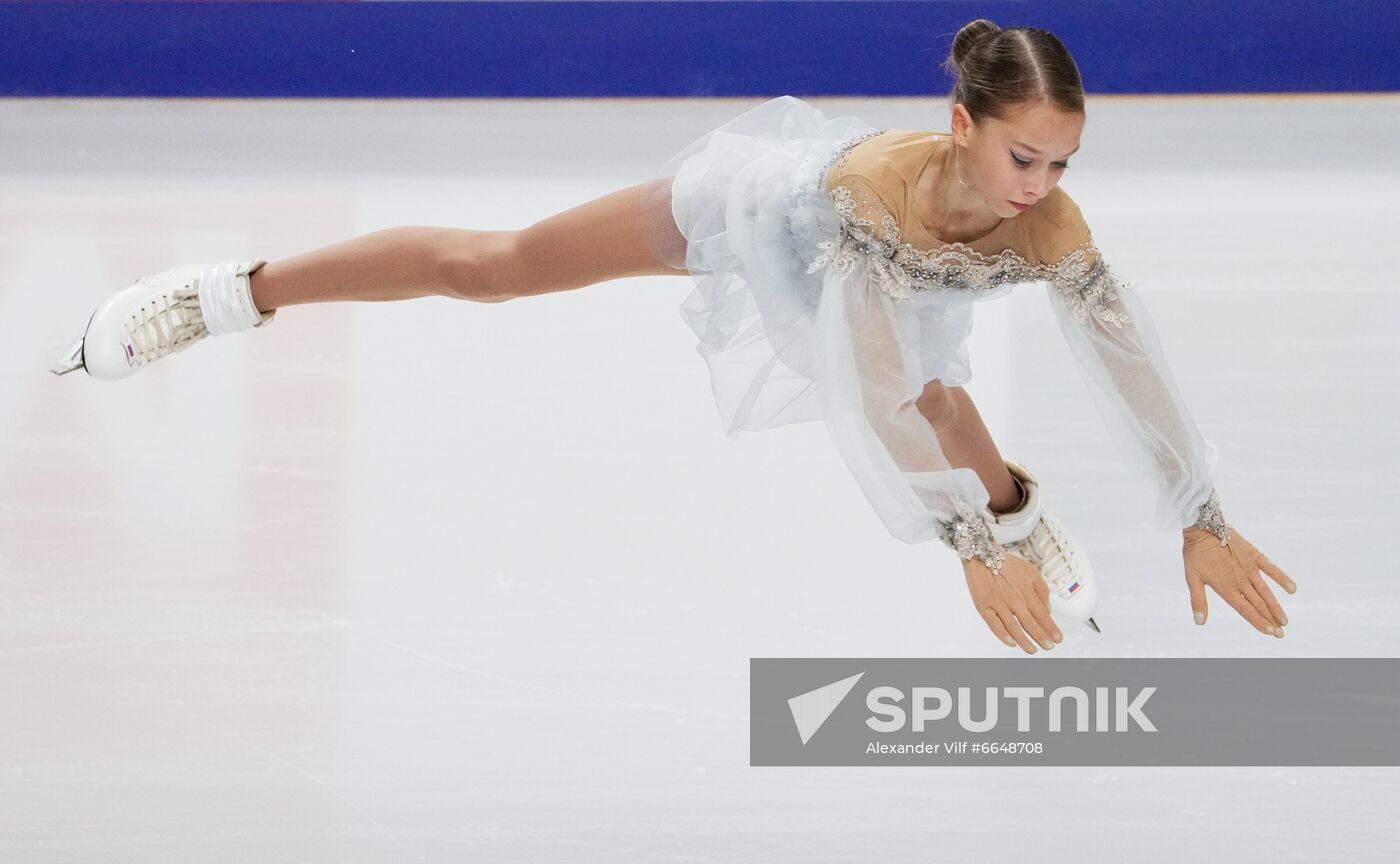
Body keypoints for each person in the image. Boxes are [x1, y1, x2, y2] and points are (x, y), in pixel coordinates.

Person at [51, 19, 1296, 653]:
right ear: (959, 122)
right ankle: (232, 292)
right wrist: (960, 541)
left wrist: (1198, 507)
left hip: (894, 295)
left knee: (947, 401)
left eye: (1061, 161)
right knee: (493, 269)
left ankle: (1025, 519)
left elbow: (1123, 352)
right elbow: (860, 386)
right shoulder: (877, 196)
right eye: (1021, 153)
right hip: (763, 222)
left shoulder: (1045, 218)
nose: (1039, 183)